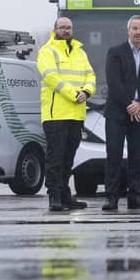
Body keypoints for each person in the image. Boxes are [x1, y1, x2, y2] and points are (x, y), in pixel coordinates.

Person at [37, 17, 96, 211]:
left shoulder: (80, 52)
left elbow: (91, 76)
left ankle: (64, 196)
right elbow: (51, 77)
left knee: (68, 159)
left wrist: (86, 92)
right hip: (55, 115)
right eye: (62, 27)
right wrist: (74, 94)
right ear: (55, 29)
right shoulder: (47, 51)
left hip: (76, 115)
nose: (66, 30)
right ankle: (54, 196)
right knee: (55, 158)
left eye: (69, 28)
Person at [102, 15, 140, 211]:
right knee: (114, 156)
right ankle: (111, 198)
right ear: (128, 30)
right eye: (134, 28)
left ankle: (135, 198)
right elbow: (114, 83)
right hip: (117, 113)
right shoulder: (115, 52)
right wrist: (129, 104)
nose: (138, 32)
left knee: (137, 156)